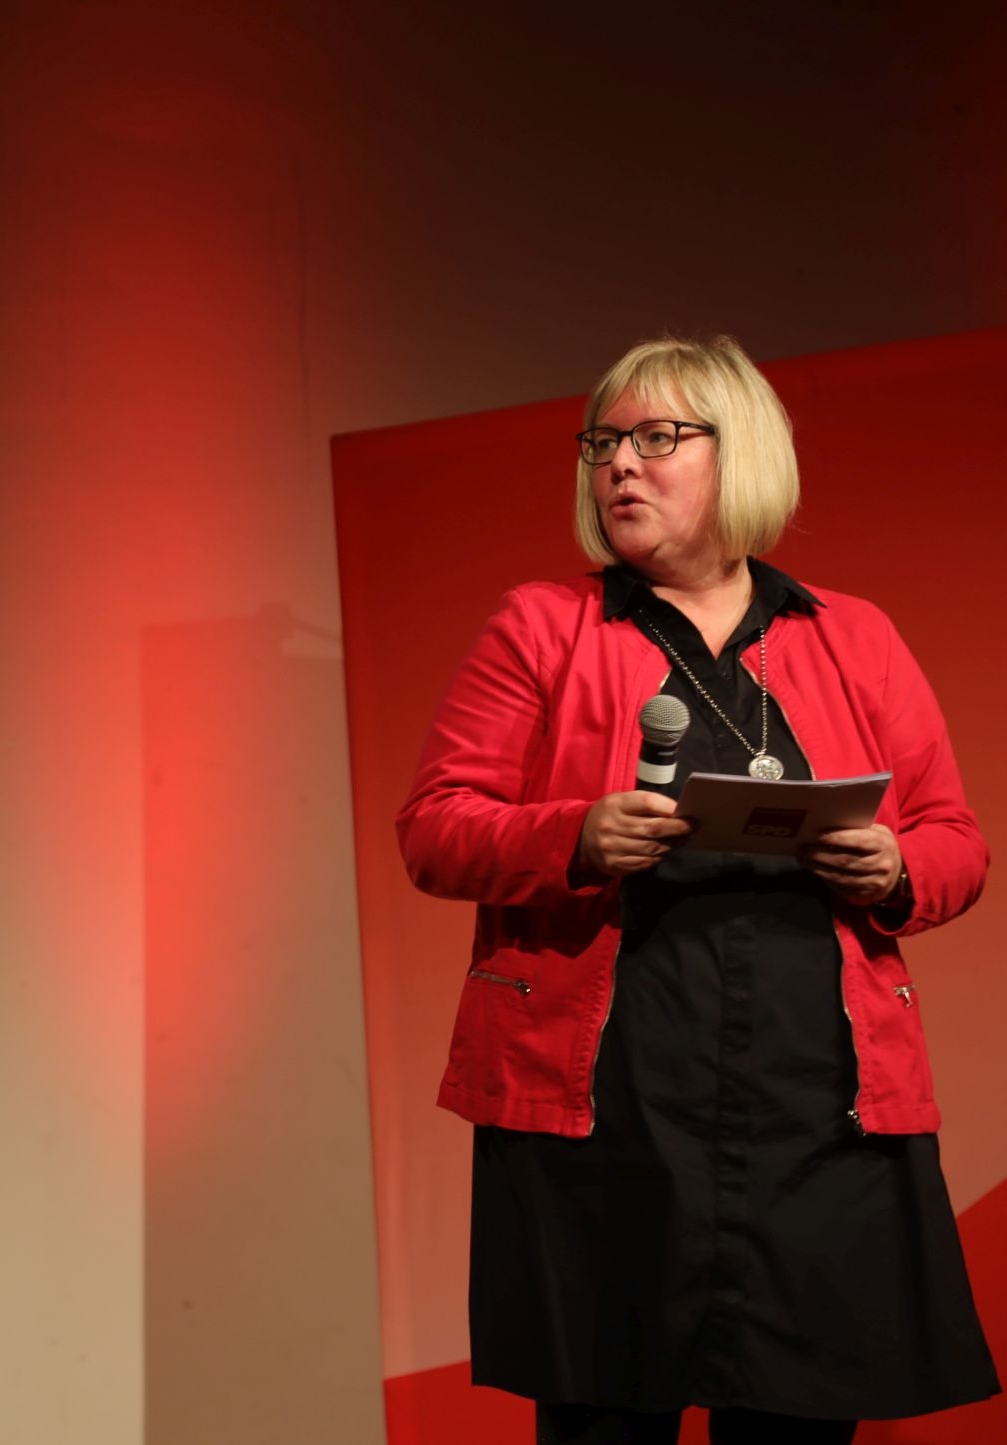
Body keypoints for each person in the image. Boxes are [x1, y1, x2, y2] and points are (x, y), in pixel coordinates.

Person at [396, 335, 999, 1444]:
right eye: (603, 442)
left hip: (818, 1103)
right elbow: (435, 827)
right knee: (605, 1416)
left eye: (656, 437)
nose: (619, 464)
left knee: (799, 1419)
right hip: (608, 1102)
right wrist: (576, 833)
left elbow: (956, 839)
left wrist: (897, 866)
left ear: (742, 452)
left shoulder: (853, 635)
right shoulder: (541, 625)